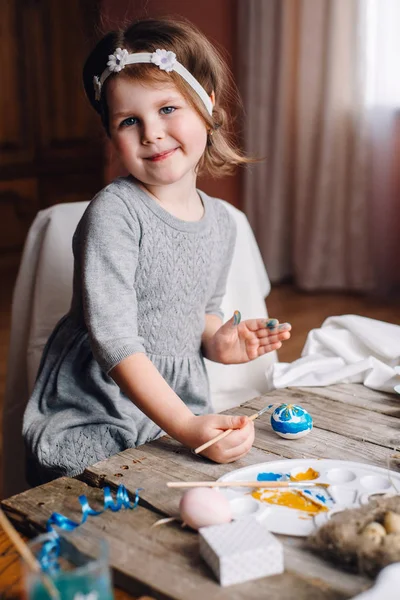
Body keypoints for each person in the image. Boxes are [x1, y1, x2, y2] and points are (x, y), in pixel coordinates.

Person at [23, 17, 291, 483]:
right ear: (111, 135)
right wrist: (186, 426)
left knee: (202, 490)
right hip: (96, 406)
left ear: (206, 103)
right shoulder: (115, 214)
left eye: (167, 109)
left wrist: (216, 340)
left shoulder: (223, 222)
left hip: (176, 403)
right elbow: (116, 341)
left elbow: (200, 311)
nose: (151, 133)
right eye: (130, 121)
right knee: (96, 485)